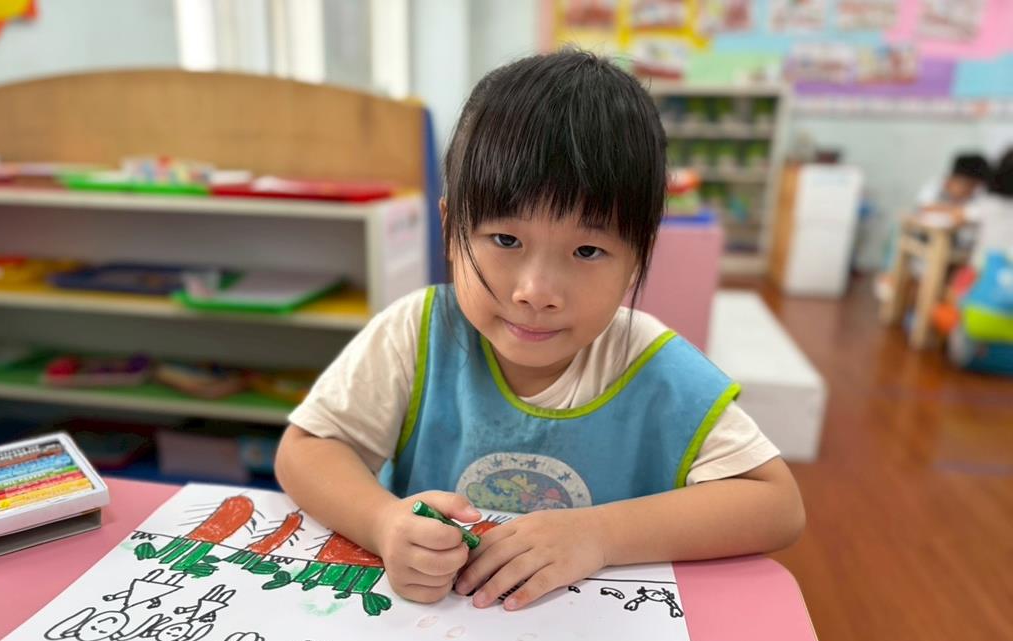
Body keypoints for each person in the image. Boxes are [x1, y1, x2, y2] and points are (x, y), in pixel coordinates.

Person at [275, 50, 805, 612]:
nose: (536, 291)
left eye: (587, 250)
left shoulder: (654, 366)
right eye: (506, 240)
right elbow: (305, 451)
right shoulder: (418, 332)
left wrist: (600, 534)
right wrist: (382, 520)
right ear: (452, 230)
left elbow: (776, 505)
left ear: (636, 258)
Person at [916, 152, 991, 208]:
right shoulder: (936, 184)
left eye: (974, 186)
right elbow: (924, 207)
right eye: (967, 184)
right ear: (951, 179)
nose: (969, 190)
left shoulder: (981, 191)